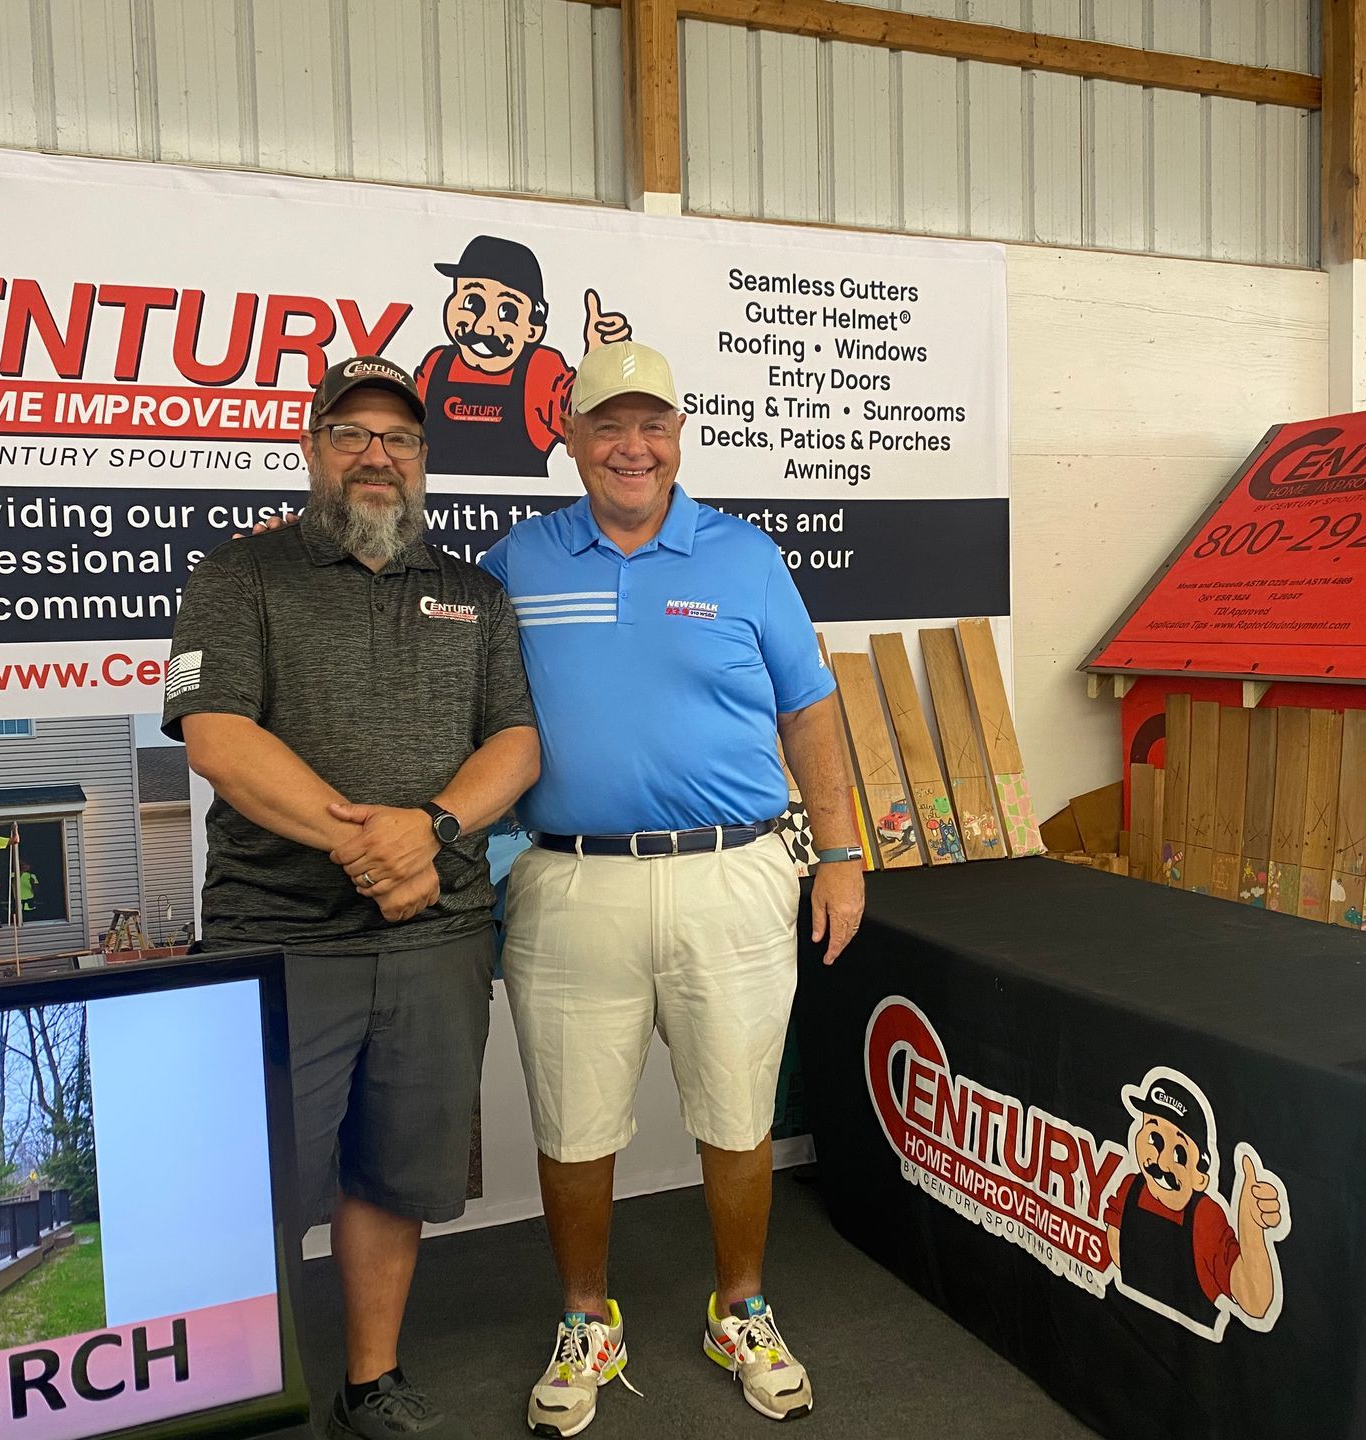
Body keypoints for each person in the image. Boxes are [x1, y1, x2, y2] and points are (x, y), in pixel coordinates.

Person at [479, 340, 865, 1432]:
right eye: (607, 425)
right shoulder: (518, 562)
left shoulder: (744, 559)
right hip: (569, 882)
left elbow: (811, 711)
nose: (630, 447)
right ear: (569, 439)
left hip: (736, 873)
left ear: (679, 437)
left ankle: (739, 1306)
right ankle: (585, 1319)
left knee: (738, 1116)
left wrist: (840, 855)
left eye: (651, 425)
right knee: (571, 1123)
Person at [164, 353, 540, 1440]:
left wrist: (428, 833)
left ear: (424, 460)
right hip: (278, 937)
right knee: (261, 1187)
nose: (378, 455)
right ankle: (242, 1391)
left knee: (394, 1172)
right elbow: (217, 740)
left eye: (401, 440)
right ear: (312, 447)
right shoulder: (237, 579)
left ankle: (371, 1380)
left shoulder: (476, 591)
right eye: (352, 434)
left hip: (439, 937)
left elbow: (516, 740)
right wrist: (367, 847)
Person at [413, 235, 631, 477]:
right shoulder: (436, 365)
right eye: (472, 302)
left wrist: (597, 362)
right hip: (438, 513)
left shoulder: (541, 370)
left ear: (533, 328)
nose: (484, 327)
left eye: (507, 310)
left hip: (526, 512)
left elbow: (588, 422)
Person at [1102, 1071, 1287, 1337]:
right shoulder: (1130, 1187)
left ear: (1200, 1176)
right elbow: (1116, 1247)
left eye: (1179, 1153)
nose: (1163, 1164)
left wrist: (1251, 1229)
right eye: (1154, 1139)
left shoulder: (1205, 1216)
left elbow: (1255, 1303)